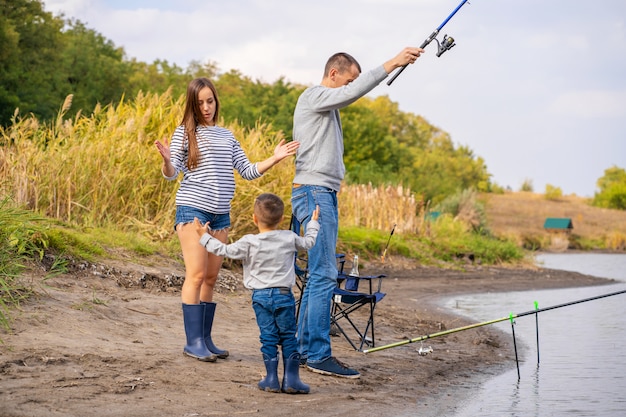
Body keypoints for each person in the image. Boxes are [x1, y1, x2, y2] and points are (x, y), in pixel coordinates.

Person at [291, 47, 424, 378]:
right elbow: (353, 92)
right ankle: (319, 355)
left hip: (320, 194)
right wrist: (393, 63)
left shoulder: (325, 108)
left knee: (316, 276)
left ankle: (304, 350)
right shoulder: (313, 96)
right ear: (333, 74)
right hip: (315, 195)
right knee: (322, 276)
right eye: (347, 80)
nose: (350, 87)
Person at [154, 78, 299, 362]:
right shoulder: (185, 132)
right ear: (192, 105)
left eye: (210, 101)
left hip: (221, 214)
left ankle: (206, 340)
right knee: (195, 275)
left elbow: (246, 170)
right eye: (200, 103)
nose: (206, 107)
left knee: (210, 277)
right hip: (193, 210)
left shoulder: (227, 135)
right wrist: (168, 160)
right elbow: (173, 174)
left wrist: (274, 158)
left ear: (216, 101)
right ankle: (193, 341)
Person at [193, 193, 320, 394]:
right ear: (281, 219)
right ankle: (292, 380)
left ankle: (271, 379)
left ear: (254, 218)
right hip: (283, 295)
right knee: (288, 336)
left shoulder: (249, 242)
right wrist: (312, 223)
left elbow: (224, 250)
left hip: (260, 297)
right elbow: (309, 242)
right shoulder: (289, 237)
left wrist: (204, 236)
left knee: (268, 337)